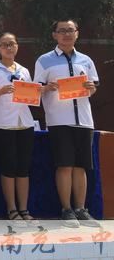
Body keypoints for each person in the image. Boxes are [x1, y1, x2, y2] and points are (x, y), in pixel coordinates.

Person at [34, 19, 99, 227]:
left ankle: (81, 209)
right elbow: (35, 89)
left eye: (70, 30)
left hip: (84, 120)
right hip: (59, 120)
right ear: (54, 35)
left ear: (77, 33)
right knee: (64, 165)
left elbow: (93, 87)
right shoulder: (44, 60)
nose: (67, 34)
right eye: (62, 31)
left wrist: (90, 88)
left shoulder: (86, 60)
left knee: (81, 167)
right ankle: (67, 209)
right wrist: (47, 88)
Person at [0, 32, 35, 223]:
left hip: (25, 123)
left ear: (17, 46)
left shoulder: (24, 70)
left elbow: (30, 97)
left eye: (12, 44)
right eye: (4, 44)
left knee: (23, 168)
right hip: (4, 124)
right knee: (8, 167)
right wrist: (1, 91)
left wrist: (36, 92)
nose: (9, 47)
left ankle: (24, 208)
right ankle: (12, 209)